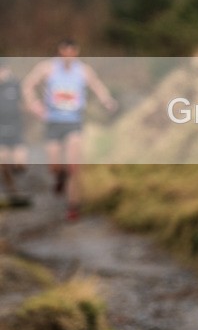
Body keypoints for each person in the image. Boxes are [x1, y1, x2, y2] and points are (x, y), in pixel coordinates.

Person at [22, 39, 117, 220]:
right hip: (53, 122)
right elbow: (28, 84)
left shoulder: (83, 70)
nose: (68, 57)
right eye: (65, 53)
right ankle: (60, 177)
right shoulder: (47, 68)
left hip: (74, 122)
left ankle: (73, 207)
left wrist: (107, 100)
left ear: (76, 53)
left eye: (72, 53)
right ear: (60, 52)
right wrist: (34, 104)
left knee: (74, 167)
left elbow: (97, 85)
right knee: (54, 166)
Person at [0, 59, 28, 201]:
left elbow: (25, 103)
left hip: (16, 128)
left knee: (20, 164)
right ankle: (11, 189)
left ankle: (19, 182)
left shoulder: (16, 85)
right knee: (3, 162)